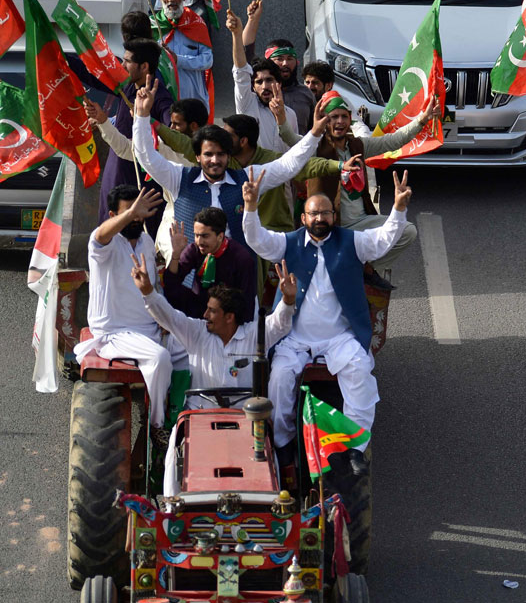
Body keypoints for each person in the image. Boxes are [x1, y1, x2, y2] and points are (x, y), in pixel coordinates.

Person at [241, 167, 416, 471]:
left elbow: (383, 240)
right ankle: (283, 445)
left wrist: (398, 209)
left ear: (334, 216)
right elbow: (257, 240)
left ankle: (355, 449)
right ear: (303, 218)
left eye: (325, 213)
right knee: (280, 379)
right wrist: (251, 207)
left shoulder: (352, 242)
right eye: (314, 214)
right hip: (295, 339)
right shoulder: (288, 243)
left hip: (340, 338)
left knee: (359, 372)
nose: (320, 219)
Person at [134, 258, 297, 496]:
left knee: (267, 458)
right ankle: (173, 508)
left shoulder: (254, 334)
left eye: (212, 310)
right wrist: (148, 291)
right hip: (197, 419)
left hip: (246, 421)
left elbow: (280, 323)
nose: (205, 314)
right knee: (173, 455)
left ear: (229, 317)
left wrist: (288, 299)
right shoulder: (196, 332)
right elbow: (169, 316)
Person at [130, 75, 323, 250]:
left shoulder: (247, 180)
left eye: (220, 154)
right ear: (198, 156)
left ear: (228, 155)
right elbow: (146, 156)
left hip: (235, 279)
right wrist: (142, 115)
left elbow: (288, 165)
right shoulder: (179, 178)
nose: (215, 160)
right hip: (190, 278)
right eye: (208, 154)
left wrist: (314, 134)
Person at [285, 90, 434, 276]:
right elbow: (291, 140)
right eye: (333, 117)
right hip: (332, 227)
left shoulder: (358, 145)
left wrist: (421, 120)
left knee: (407, 231)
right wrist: (284, 120)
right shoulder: (314, 147)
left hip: (362, 222)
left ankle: (368, 271)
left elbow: (393, 141)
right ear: (325, 121)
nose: (339, 121)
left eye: (343, 117)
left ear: (349, 120)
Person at [72, 185, 179, 431]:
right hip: (115, 334)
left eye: (139, 211)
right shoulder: (104, 244)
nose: (137, 216)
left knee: (195, 351)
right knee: (160, 358)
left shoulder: (146, 242)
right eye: (130, 211)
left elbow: (153, 291)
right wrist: (131, 213)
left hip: (151, 331)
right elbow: (100, 236)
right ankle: (157, 427)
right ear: (113, 215)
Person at [87, 97, 211, 259]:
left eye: (176, 125)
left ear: (194, 126)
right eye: (170, 124)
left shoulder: (218, 152)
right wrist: (103, 121)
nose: (171, 128)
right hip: (176, 226)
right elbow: (127, 149)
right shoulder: (164, 147)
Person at [97, 38, 174, 231]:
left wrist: (146, 119)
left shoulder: (160, 97)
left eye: (127, 61)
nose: (122, 66)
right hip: (116, 171)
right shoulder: (128, 87)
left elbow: (172, 130)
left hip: (140, 182)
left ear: (144, 66)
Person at [163, 207, 259, 323]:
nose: (199, 241)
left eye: (205, 236)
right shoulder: (195, 249)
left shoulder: (241, 258)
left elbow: (247, 302)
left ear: (220, 236)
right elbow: (171, 282)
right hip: (200, 308)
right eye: (196, 235)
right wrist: (175, 255)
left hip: (227, 315)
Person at [227, 9, 298, 153]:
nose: (265, 86)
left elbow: (294, 151)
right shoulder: (247, 103)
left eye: (269, 80)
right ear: (253, 86)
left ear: (279, 83)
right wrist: (236, 35)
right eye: (259, 82)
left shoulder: (290, 115)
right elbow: (241, 71)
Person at [241, 0, 315, 132]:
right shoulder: (257, 92)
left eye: (290, 58)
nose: (285, 63)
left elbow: (313, 132)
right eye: (279, 59)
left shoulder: (306, 94)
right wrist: (252, 20)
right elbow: (244, 52)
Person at [151, 0, 214, 113]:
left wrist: (178, 60)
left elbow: (208, 60)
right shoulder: (152, 27)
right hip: (163, 103)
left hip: (193, 102)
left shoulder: (197, 24)